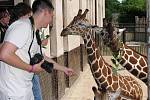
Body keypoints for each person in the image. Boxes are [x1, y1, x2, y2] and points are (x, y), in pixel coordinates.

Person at [0, 0, 74, 100]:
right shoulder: (23, 26)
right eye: (52, 16)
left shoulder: (33, 30)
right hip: (13, 92)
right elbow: (4, 54)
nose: (51, 20)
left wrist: (63, 69)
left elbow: (43, 57)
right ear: (45, 13)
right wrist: (31, 68)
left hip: (24, 88)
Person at [10, 2, 45, 100]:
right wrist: (31, 68)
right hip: (18, 82)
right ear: (21, 16)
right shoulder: (17, 29)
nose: (31, 18)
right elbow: (5, 54)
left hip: (29, 74)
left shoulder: (30, 29)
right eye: (29, 15)